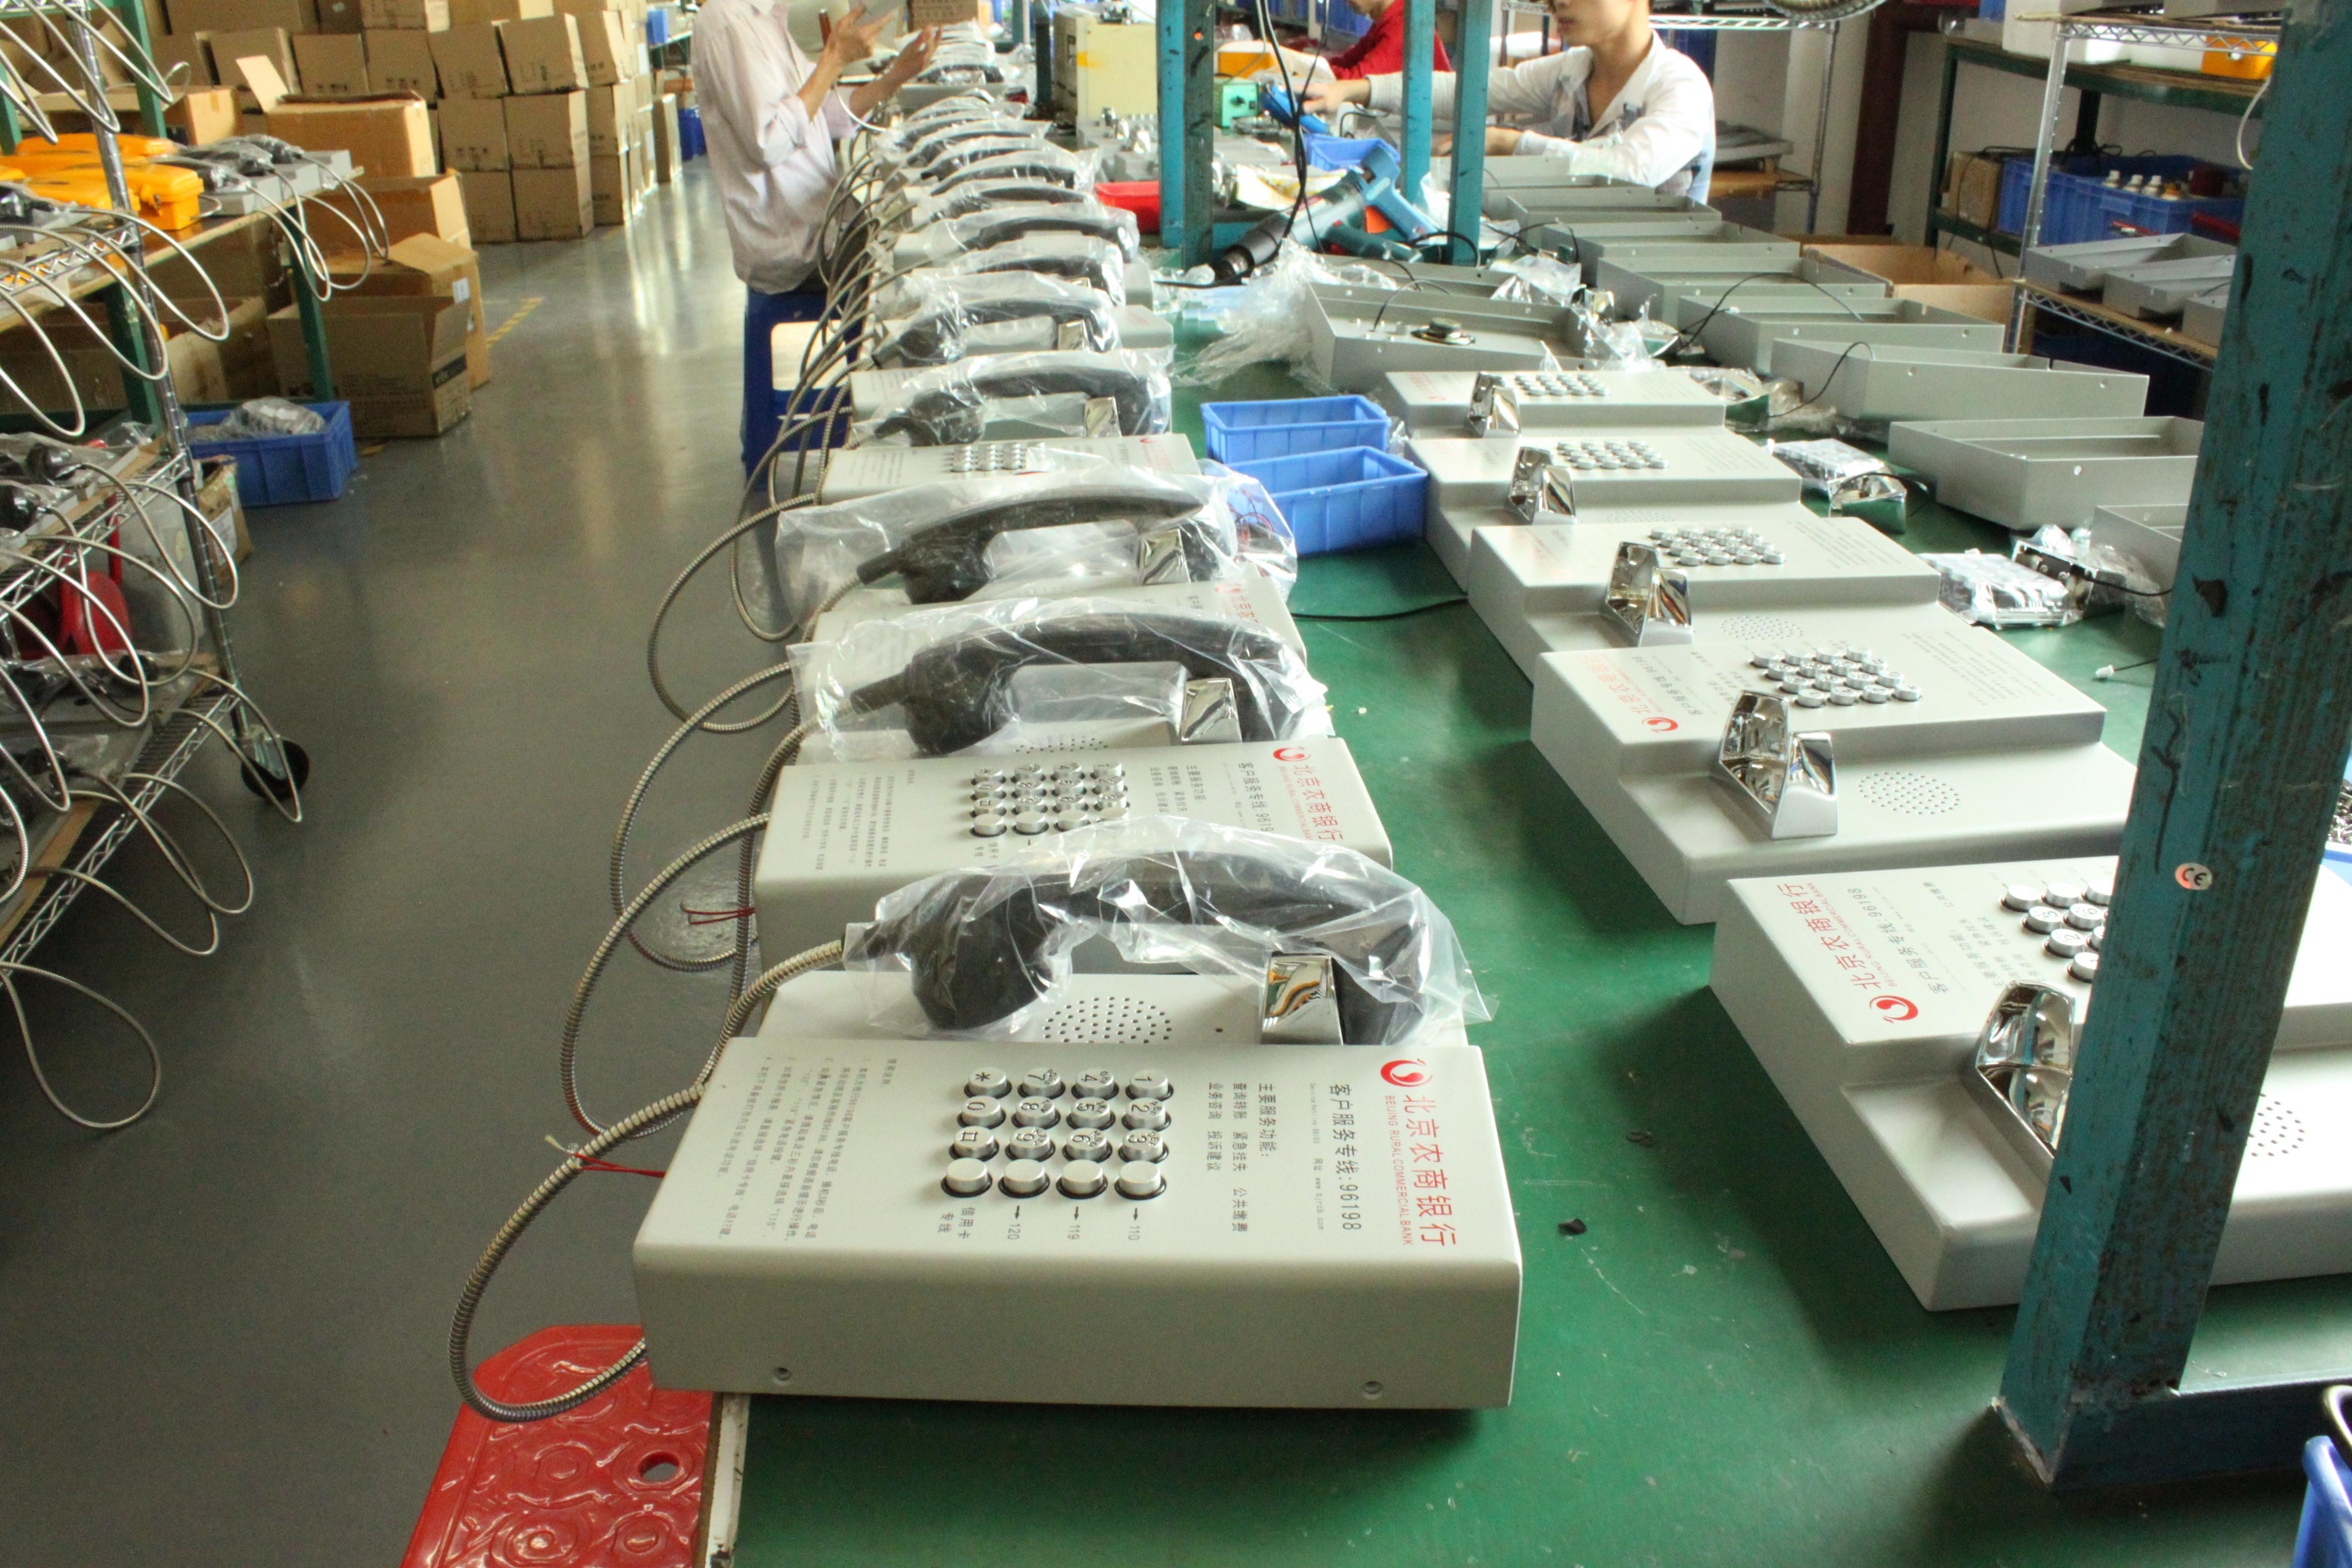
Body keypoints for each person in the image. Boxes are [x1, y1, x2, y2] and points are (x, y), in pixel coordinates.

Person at [698, 0, 940, 472]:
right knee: (915, 284)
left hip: (820, 222)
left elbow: (820, 113)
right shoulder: (727, 23)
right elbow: (768, 142)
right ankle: (893, 440)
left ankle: (892, 416)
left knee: (918, 234)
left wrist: (895, 76)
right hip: (793, 242)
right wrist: (834, 58)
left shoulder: (766, 21)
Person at [1301, 0, 1714, 198]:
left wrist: (1510, 143)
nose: (1558, 3)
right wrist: (1353, 90)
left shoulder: (1681, 86)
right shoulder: (1573, 69)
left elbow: (1632, 171)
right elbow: (1471, 90)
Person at [1261, 0, 1450, 86]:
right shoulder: (1384, 23)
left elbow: (1355, 82)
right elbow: (1345, 64)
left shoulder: (1403, 27)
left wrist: (1295, 63)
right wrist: (1292, 62)